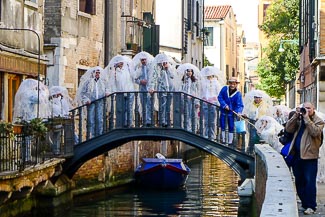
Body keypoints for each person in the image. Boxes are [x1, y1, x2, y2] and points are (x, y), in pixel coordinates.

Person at [285, 102, 324, 214]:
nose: (306, 110)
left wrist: (307, 118)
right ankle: (304, 203)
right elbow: (288, 129)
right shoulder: (299, 119)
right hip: (297, 155)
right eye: (304, 108)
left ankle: (311, 206)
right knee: (299, 181)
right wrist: (295, 116)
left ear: (313, 109)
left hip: (310, 156)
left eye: (309, 108)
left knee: (309, 181)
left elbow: (314, 132)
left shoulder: (319, 121)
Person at [76, 66, 109, 138]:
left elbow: (107, 89)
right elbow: (83, 93)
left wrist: (106, 93)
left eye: (98, 73)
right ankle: (93, 135)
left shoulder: (102, 82)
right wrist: (86, 99)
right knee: (91, 119)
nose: (97, 74)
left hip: (100, 102)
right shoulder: (88, 82)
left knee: (100, 119)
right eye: (96, 73)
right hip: (91, 103)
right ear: (93, 73)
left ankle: (99, 134)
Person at [107, 56, 135, 127]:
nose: (121, 63)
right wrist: (109, 91)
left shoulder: (127, 69)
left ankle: (129, 123)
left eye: (122, 62)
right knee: (120, 109)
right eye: (120, 62)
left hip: (129, 91)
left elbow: (133, 77)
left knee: (129, 108)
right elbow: (111, 82)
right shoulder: (114, 72)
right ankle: (122, 124)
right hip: (120, 93)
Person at [149, 53, 176, 127]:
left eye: (165, 62)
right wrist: (152, 88)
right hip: (161, 89)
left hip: (169, 89)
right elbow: (154, 79)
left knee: (168, 105)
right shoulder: (157, 69)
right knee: (162, 105)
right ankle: (162, 121)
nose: (164, 63)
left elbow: (173, 76)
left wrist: (167, 69)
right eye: (162, 62)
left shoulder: (170, 68)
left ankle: (168, 121)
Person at [218, 77, 244, 144]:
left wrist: (239, 112)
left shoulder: (238, 94)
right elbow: (220, 97)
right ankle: (223, 140)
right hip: (224, 111)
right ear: (229, 83)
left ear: (236, 84)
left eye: (234, 84)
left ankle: (230, 142)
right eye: (231, 83)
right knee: (222, 125)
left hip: (232, 113)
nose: (232, 85)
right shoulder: (224, 89)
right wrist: (224, 105)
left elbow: (240, 105)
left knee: (231, 126)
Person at [200, 70, 223, 140]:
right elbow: (202, 92)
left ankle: (212, 134)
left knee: (213, 120)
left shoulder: (216, 83)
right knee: (206, 119)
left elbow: (219, 93)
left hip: (213, 103)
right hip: (205, 102)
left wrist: (217, 101)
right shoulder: (204, 82)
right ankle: (206, 133)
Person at [179, 66, 200, 131]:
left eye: (191, 71)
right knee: (186, 113)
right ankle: (187, 127)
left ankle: (194, 128)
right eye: (188, 71)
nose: (189, 72)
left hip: (193, 99)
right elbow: (181, 89)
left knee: (193, 114)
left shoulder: (195, 81)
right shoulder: (183, 81)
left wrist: (197, 100)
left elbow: (198, 91)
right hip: (185, 98)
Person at [134, 56, 152, 126]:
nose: (143, 61)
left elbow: (153, 78)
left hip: (149, 89)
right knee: (143, 105)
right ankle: (144, 120)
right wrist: (140, 81)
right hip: (142, 89)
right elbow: (135, 79)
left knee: (150, 105)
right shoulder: (139, 69)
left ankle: (149, 121)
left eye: (144, 60)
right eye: (142, 60)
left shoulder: (150, 68)